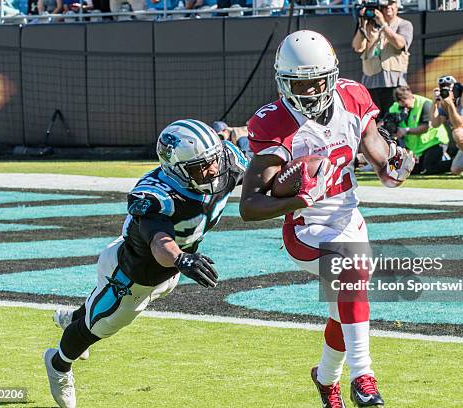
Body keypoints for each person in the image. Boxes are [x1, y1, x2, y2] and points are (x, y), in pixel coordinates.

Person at [240, 30, 414, 408]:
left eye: (317, 80)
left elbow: (380, 159)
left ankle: (325, 379)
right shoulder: (272, 124)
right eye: (300, 84)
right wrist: (297, 199)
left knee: (344, 311)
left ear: (332, 75)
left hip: (349, 217)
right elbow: (249, 205)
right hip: (306, 227)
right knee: (351, 273)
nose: (310, 91)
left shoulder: (352, 97)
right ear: (283, 82)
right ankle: (363, 376)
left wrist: (394, 168)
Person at [43, 119, 248, 408]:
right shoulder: (156, 195)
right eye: (201, 166)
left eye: (213, 160)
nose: (213, 170)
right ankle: (58, 363)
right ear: (175, 168)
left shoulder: (226, 161)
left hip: (166, 273)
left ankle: (77, 315)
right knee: (98, 328)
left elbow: (254, 174)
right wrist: (181, 258)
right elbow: (159, 242)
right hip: (131, 276)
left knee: (100, 311)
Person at [352, 0, 413, 114]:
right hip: (370, 83)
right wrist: (362, 24)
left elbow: (400, 44)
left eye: (392, 3)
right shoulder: (368, 24)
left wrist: (383, 25)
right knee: (375, 121)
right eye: (385, 4)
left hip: (394, 83)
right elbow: (357, 47)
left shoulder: (404, 24)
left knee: (393, 121)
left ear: (397, 5)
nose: (388, 7)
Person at [389, 85, 450, 175]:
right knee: (412, 170)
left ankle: (455, 164)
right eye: (402, 106)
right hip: (416, 148)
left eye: (406, 105)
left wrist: (405, 130)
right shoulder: (395, 107)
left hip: (434, 142)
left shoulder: (425, 104)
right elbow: (387, 122)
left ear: (411, 97)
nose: (405, 108)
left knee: (429, 168)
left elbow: (425, 128)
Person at [430, 75, 463, 177]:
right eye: (443, 87)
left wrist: (450, 104)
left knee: (458, 132)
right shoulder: (445, 104)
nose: (446, 89)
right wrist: (434, 103)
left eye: (448, 86)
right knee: (455, 169)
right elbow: (435, 124)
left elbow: (459, 124)